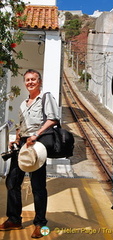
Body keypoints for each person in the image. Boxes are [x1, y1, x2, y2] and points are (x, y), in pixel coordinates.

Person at [0, 69, 60, 238]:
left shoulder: (46, 97)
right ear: (25, 82)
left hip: (37, 145)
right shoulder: (22, 103)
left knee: (38, 186)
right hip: (23, 144)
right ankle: (14, 219)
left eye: (33, 79)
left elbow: (53, 119)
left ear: (39, 82)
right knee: (12, 181)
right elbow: (21, 125)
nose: (30, 82)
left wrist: (36, 135)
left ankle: (40, 223)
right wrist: (16, 138)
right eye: (27, 80)